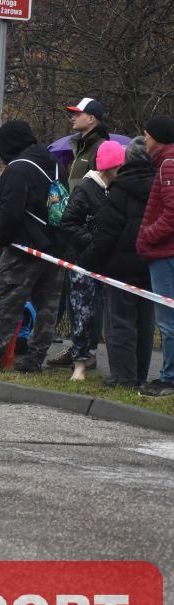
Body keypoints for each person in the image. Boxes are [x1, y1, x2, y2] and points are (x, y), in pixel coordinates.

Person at [0, 121, 70, 373]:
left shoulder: (18, 168)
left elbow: (11, 213)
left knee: (5, 302)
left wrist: (0, 239)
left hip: (24, 247)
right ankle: (35, 359)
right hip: (55, 247)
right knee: (47, 307)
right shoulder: (55, 164)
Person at [80, 137, 155, 388]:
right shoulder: (160, 186)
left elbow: (106, 235)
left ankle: (124, 377)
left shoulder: (120, 191)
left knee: (120, 323)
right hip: (151, 265)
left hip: (121, 268)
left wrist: (87, 261)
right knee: (146, 324)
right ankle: (140, 375)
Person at [57, 139, 125, 380]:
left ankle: (93, 356)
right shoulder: (85, 189)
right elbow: (67, 224)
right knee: (82, 313)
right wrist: (93, 242)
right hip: (82, 262)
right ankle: (79, 364)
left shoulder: (115, 189)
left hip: (106, 262)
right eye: (120, 167)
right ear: (110, 167)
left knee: (103, 315)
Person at [135, 115, 174, 397]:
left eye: (147, 134)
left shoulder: (168, 165)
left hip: (165, 253)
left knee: (167, 320)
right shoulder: (164, 163)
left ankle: (169, 378)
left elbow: (172, 214)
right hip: (165, 251)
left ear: (158, 137)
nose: (144, 139)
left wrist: (147, 234)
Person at [65, 98, 110, 190]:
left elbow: (102, 188)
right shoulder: (81, 147)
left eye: (77, 115)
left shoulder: (102, 148)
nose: (72, 119)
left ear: (90, 119)